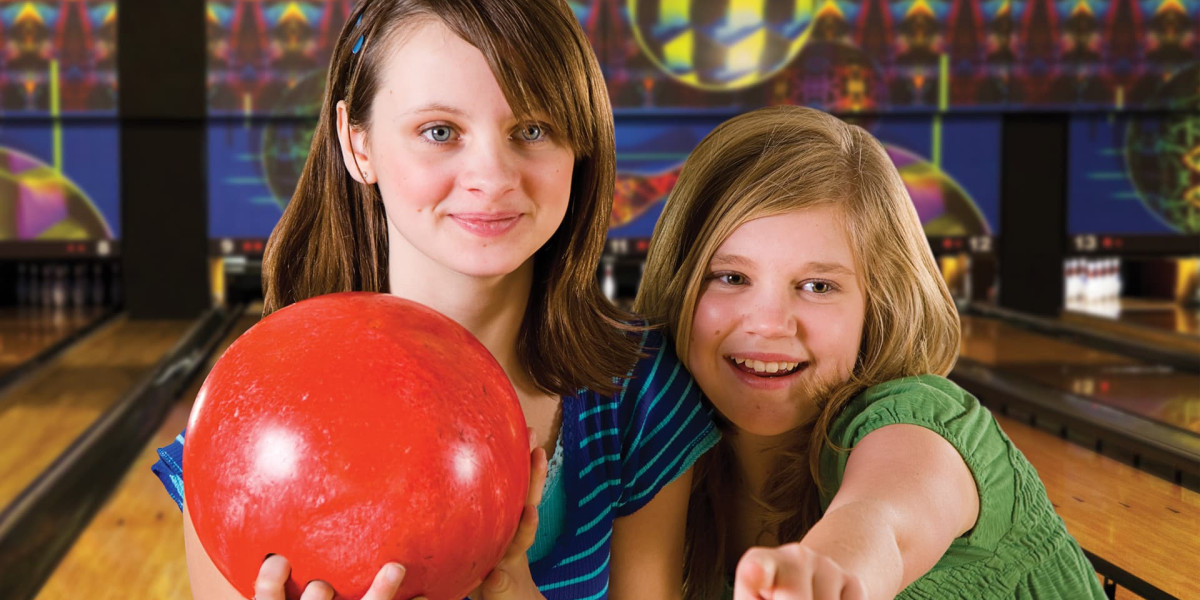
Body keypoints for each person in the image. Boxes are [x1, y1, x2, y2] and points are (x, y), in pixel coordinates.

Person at [152, 1, 718, 598]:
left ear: (579, 145)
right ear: (357, 143)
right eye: (439, 132)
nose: (492, 176)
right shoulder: (249, 427)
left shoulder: (640, 390)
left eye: (531, 130)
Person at [635, 105, 1106, 599]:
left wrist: (829, 573)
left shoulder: (919, 426)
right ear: (678, 282)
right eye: (732, 278)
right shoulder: (667, 457)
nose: (771, 324)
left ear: (876, 305)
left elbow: (884, 524)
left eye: (818, 285)